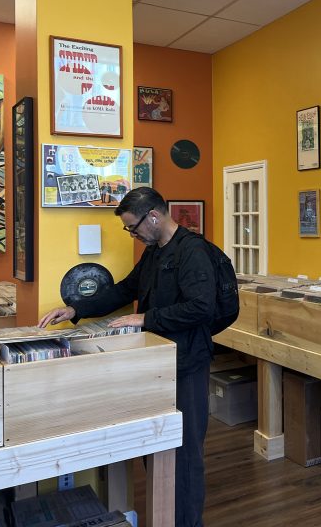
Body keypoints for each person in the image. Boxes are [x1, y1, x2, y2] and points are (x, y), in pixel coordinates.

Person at [39, 187, 216, 527]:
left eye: (132, 228)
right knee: (159, 447)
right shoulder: (154, 252)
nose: (131, 235)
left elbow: (201, 307)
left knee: (186, 453)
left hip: (188, 365)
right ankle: (167, 515)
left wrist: (145, 318)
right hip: (156, 364)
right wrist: (75, 309)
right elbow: (124, 289)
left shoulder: (193, 252)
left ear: (154, 217)